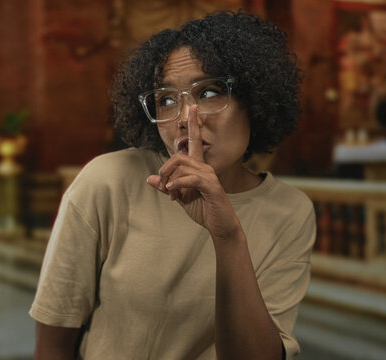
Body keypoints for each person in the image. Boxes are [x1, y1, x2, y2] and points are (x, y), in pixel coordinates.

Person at [30, 10, 315, 360]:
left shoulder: (289, 211)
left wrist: (228, 238)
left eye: (209, 92)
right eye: (166, 99)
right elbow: (52, 345)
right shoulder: (108, 181)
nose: (184, 118)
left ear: (255, 100)